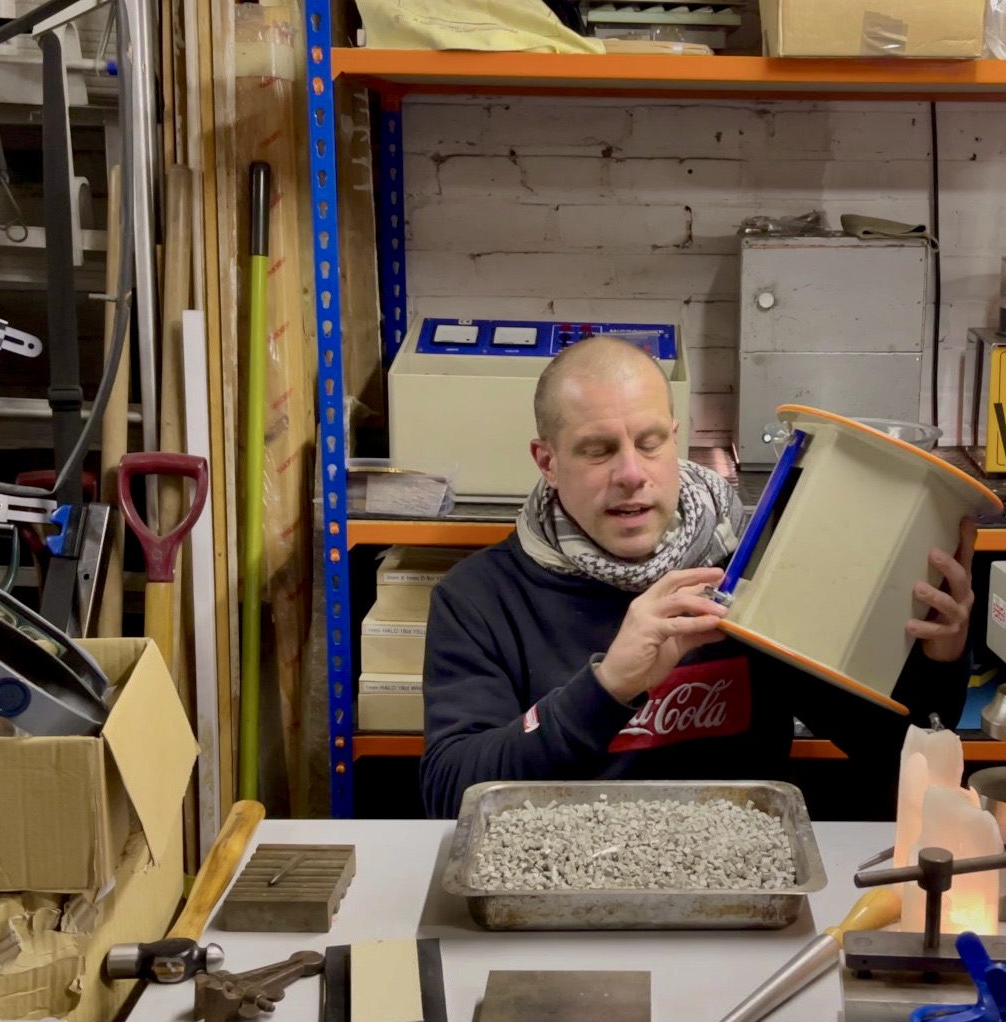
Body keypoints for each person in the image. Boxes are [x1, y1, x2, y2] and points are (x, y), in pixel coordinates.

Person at [418, 336, 975, 818]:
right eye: (597, 450)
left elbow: (899, 750)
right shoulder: (479, 599)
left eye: (650, 442)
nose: (632, 474)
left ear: (676, 439)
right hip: (557, 883)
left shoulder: (751, 570)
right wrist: (608, 685)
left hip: (737, 886)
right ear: (547, 461)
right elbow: (450, 794)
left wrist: (938, 660)